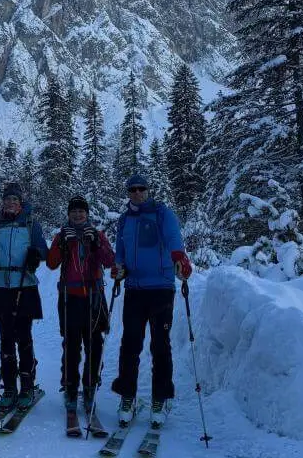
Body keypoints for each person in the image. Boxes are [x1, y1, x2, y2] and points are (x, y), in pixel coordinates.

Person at [109, 174, 193, 427]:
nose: (137, 193)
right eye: (132, 189)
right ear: (128, 192)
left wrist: (179, 257)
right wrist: (119, 267)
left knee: (160, 345)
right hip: (134, 289)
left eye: (141, 188)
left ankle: (161, 398)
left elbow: (173, 237)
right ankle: (127, 396)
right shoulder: (124, 219)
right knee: (130, 345)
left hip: (161, 289)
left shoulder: (162, 213)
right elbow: (121, 249)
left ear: (148, 190)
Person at [47, 195, 114, 419]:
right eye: (74, 211)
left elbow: (109, 261)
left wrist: (96, 244)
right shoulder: (61, 235)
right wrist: (61, 245)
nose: (77, 215)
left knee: (95, 345)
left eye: (81, 211)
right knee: (71, 346)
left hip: (94, 298)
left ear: (87, 214)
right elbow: (51, 263)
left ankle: (90, 387)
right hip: (69, 298)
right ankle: (70, 388)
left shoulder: (97, 234)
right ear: (68, 214)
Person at [0, 182, 48, 411]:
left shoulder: (31, 224)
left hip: (25, 284)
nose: (11, 203)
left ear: (21, 203)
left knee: (24, 335)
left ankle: (27, 385)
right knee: (6, 337)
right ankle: (10, 386)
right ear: (2, 202)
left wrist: (35, 255)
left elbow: (43, 250)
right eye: (7, 199)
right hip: (2, 285)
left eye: (15, 199)